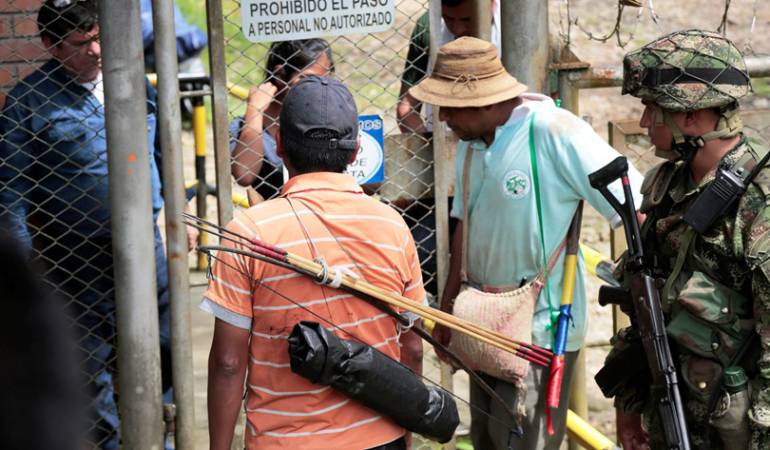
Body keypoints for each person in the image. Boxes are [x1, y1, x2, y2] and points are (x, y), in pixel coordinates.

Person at [409, 37, 644, 450]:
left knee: (524, 442)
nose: (443, 118)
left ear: (480, 101)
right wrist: (448, 314)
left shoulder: (555, 131)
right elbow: (463, 223)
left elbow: (634, 206)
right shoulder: (469, 144)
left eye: (449, 107)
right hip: (481, 323)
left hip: (540, 330)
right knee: (486, 439)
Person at [0, 1, 192, 447]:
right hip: (76, 257)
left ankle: (161, 437)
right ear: (51, 45)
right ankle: (108, 443)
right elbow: (12, 192)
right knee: (91, 364)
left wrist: (177, 217)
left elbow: (165, 153)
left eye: (99, 37)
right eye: (81, 43)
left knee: (162, 349)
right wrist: (26, 267)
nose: (96, 51)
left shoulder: (133, 85)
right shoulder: (30, 101)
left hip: (147, 248)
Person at [203, 75, 425, 450]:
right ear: (355, 151)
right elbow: (414, 348)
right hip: (378, 437)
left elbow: (228, 362)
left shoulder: (249, 231)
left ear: (279, 145)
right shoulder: (393, 226)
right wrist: (403, 434)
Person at [606, 29, 770, 450]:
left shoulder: (757, 203)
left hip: (737, 428)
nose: (643, 123)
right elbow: (643, 305)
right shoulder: (666, 188)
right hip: (670, 414)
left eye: (651, 109)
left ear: (690, 117)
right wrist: (628, 402)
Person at [229, 39, 334, 200]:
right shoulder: (246, 126)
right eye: (307, 79)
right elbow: (244, 175)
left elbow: (369, 182)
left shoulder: (330, 118)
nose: (319, 87)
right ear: (279, 75)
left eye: (325, 79)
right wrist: (254, 112)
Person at [397, 0, 500, 134]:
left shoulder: (515, 26)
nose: (457, 29)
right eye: (448, 18)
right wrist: (429, 147)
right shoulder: (429, 26)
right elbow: (406, 108)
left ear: (491, 4)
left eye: (467, 19)